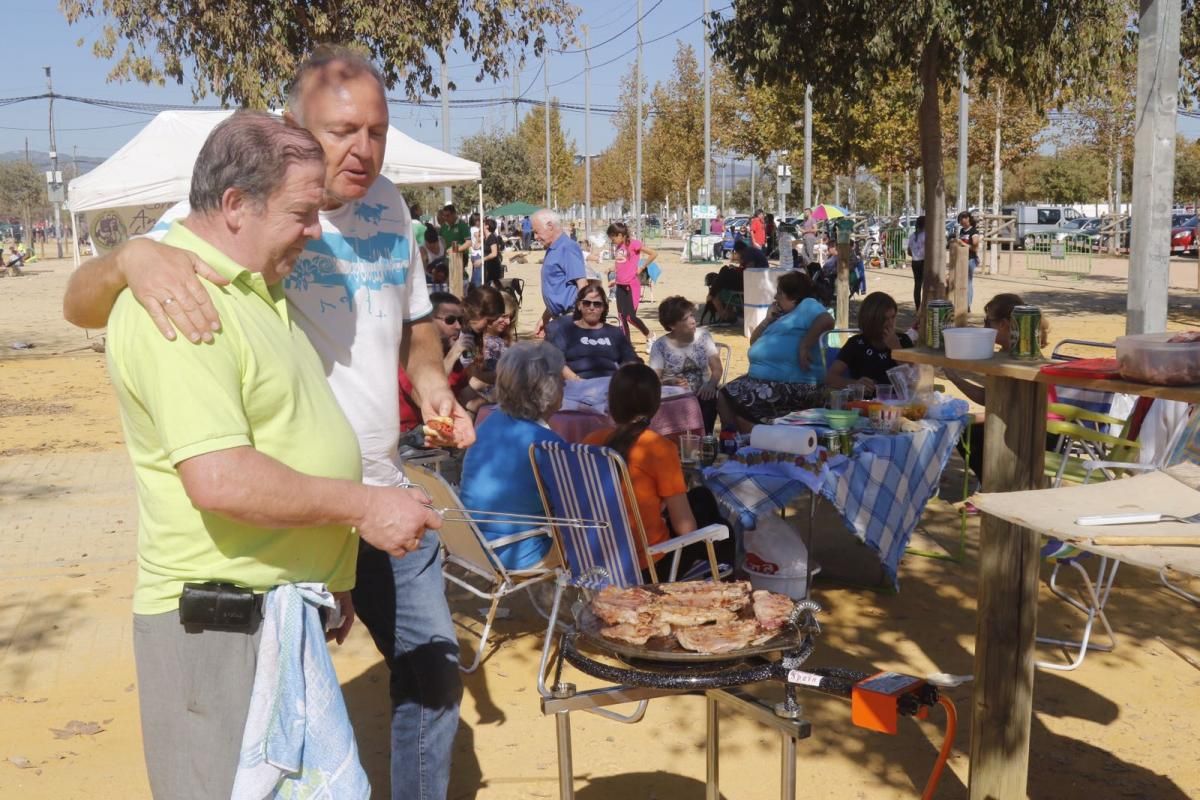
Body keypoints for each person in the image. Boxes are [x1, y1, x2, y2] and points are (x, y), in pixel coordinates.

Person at [61, 46, 471, 800]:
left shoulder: (382, 211)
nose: (365, 150)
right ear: (291, 128)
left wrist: (433, 387)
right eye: (344, 130)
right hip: (277, 544)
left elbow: (415, 333)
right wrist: (133, 260)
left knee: (431, 677)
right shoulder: (219, 237)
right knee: (253, 754)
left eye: (378, 130)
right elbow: (85, 300)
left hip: (358, 514)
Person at [583, 364, 734, 578]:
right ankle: (726, 596)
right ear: (655, 405)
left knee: (702, 496)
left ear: (611, 402)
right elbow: (686, 529)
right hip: (649, 565)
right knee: (722, 528)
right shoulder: (658, 448)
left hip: (599, 558)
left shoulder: (590, 442)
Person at [460, 342, 566, 569]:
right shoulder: (547, 445)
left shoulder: (489, 422)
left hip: (472, 545)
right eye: (560, 379)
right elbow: (575, 509)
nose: (564, 384)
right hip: (520, 552)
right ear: (549, 389)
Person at [945, 293, 1051, 479]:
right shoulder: (1007, 354)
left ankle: (992, 484)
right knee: (966, 428)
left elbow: (992, 401)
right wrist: (955, 378)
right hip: (1023, 423)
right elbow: (992, 398)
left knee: (967, 432)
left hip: (1035, 430)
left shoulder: (1017, 358)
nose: (985, 327)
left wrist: (957, 381)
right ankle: (989, 484)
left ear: (1003, 325)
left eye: (988, 322)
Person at [718, 271, 834, 432]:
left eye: (779, 292)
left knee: (733, 404)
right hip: (765, 381)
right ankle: (733, 440)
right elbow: (754, 341)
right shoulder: (781, 317)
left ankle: (749, 440)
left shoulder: (807, 305)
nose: (775, 297)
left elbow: (827, 320)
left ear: (793, 296)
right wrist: (767, 320)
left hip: (794, 384)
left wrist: (804, 346)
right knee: (723, 396)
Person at [398, 292, 470, 440]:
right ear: (428, 322)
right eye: (450, 320)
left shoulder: (448, 352)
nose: (458, 326)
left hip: (436, 428)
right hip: (408, 434)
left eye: (461, 320)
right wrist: (453, 354)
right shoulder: (411, 351)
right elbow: (421, 399)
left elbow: (464, 394)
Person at [650, 295, 723, 434]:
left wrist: (711, 384)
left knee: (709, 399)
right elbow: (653, 380)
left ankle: (705, 440)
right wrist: (668, 381)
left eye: (692, 316)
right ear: (672, 325)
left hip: (702, 391)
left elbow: (717, 368)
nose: (693, 321)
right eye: (686, 319)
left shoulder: (703, 336)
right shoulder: (660, 346)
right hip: (675, 397)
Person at [824, 291, 913, 396]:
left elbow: (913, 380)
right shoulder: (856, 343)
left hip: (899, 403)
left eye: (893, 317)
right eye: (884, 319)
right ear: (871, 320)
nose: (890, 324)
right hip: (865, 404)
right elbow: (830, 378)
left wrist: (896, 349)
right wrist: (856, 384)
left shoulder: (903, 340)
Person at [549, 282, 640, 380]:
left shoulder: (614, 333)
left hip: (610, 387)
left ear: (603, 308)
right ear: (579, 305)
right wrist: (578, 381)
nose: (591, 308)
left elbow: (631, 361)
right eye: (587, 303)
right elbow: (556, 361)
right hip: (575, 387)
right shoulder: (565, 331)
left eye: (597, 304)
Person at [532, 208, 589, 337]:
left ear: (550, 226)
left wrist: (578, 321)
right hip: (560, 318)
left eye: (537, 232)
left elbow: (582, 285)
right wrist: (545, 318)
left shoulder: (567, 247)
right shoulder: (553, 249)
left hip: (571, 319)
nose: (535, 237)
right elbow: (559, 291)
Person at [607, 221, 655, 341]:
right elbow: (621, 265)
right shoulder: (618, 247)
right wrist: (615, 278)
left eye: (612, 238)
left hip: (631, 286)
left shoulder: (634, 244)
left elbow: (653, 254)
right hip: (620, 286)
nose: (611, 240)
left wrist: (642, 267)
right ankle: (626, 345)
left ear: (619, 235)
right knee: (622, 317)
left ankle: (650, 335)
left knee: (629, 317)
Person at [440, 203, 471, 284]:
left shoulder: (462, 225)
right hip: (446, 259)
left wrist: (455, 249)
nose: (445, 218)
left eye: (448, 215)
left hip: (460, 257)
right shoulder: (443, 227)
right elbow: (440, 242)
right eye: (444, 216)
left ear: (454, 214)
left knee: (457, 280)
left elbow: (469, 243)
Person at [957, 211, 981, 312]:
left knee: (968, 282)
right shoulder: (962, 231)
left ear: (968, 219)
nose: (962, 222)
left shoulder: (974, 232)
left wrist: (962, 243)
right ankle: (962, 303)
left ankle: (968, 304)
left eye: (963, 219)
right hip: (961, 259)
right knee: (961, 282)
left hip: (970, 259)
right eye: (960, 220)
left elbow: (975, 248)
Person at [907, 216, 926, 311]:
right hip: (923, 261)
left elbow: (908, 252)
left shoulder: (912, 236)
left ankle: (917, 306)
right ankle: (924, 305)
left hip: (915, 261)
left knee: (917, 285)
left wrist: (915, 254)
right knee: (926, 284)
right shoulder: (926, 235)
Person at [482, 218, 504, 288]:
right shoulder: (485, 237)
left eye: (483, 224)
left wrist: (482, 259)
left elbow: (494, 253)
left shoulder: (491, 237)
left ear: (487, 226)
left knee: (495, 288)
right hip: (488, 266)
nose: (481, 225)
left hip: (493, 267)